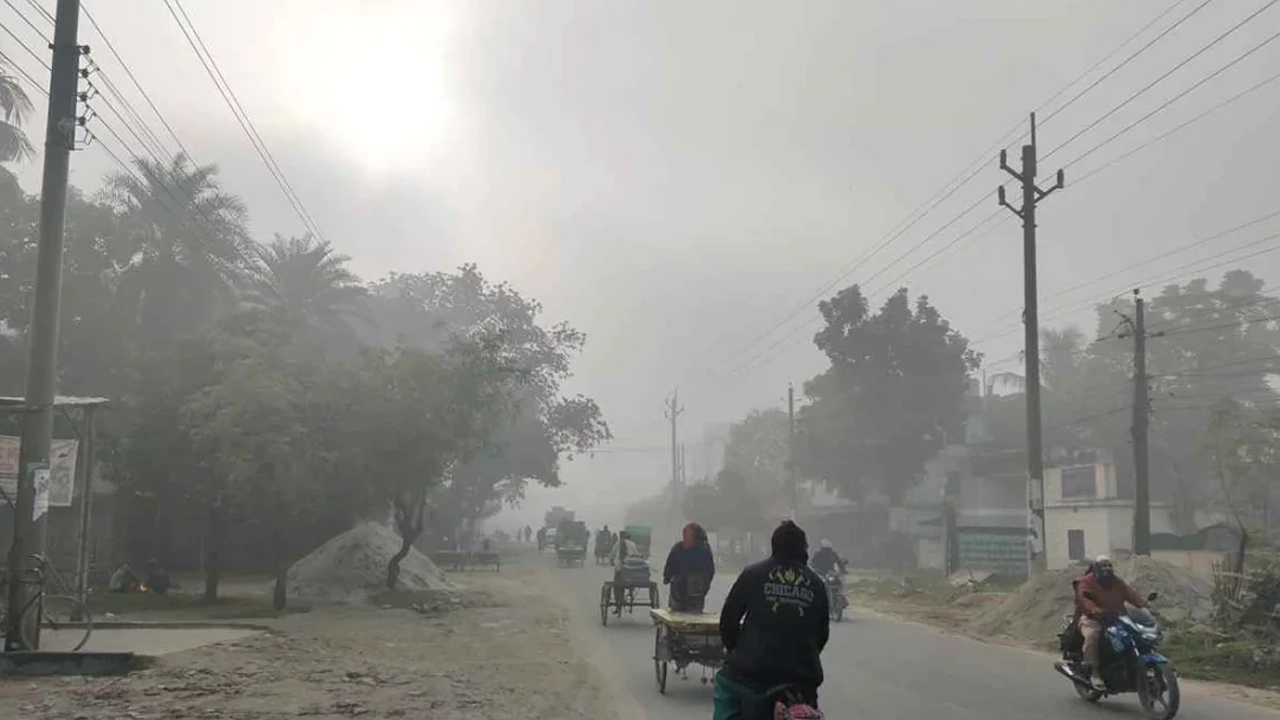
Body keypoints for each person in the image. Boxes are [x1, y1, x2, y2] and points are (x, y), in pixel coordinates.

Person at [715, 520, 829, 720]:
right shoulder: (817, 584)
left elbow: (728, 622)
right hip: (801, 682)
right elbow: (821, 635)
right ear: (803, 549)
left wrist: (739, 651)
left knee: (725, 691)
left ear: (774, 546)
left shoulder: (752, 574)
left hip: (750, 676)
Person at [1075, 555, 1148, 691]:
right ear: (1096, 568)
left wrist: (1144, 604)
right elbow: (1083, 597)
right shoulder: (1087, 581)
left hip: (1116, 618)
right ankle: (1093, 671)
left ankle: (1130, 666)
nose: (1107, 568)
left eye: (1109, 565)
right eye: (1103, 565)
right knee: (1092, 636)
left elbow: (1132, 595)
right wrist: (1093, 609)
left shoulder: (1117, 582)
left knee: (1135, 634)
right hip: (1093, 619)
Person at [664, 522, 715, 613]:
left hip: (695, 591)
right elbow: (670, 564)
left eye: (688, 535)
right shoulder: (678, 548)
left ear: (695, 537)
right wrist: (667, 577)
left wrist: (705, 585)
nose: (685, 538)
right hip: (677, 591)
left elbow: (709, 570)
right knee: (675, 614)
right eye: (684, 535)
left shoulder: (703, 549)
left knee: (693, 615)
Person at [610, 530, 649, 615]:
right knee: (630, 580)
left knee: (616, 586)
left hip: (620, 570)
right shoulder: (632, 544)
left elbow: (612, 555)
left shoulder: (617, 543)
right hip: (631, 571)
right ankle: (631, 590)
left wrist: (611, 562)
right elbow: (637, 555)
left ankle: (618, 605)